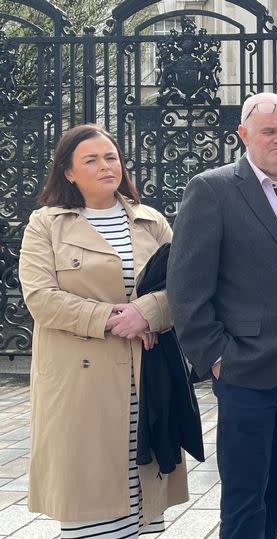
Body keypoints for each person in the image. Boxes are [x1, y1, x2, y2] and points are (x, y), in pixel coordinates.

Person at [167, 92, 277, 538]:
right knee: (245, 494)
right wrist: (216, 357)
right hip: (244, 367)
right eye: (269, 131)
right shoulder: (212, 189)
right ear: (243, 135)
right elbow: (187, 287)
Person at [19, 124, 187, 538]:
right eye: (90, 159)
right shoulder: (46, 225)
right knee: (91, 503)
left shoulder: (150, 221)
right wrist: (114, 317)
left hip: (146, 374)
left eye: (110, 156)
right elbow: (40, 297)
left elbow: (185, 284)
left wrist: (148, 311)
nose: (105, 166)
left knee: (144, 499)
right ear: (69, 172)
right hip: (81, 382)